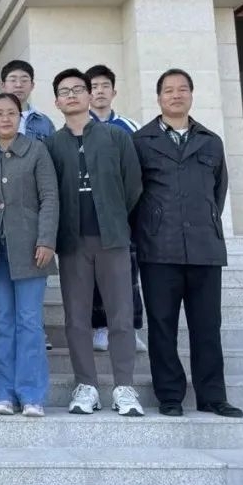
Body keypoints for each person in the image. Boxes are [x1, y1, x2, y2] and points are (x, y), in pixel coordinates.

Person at [133, 69, 243, 418]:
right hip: (158, 248)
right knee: (162, 326)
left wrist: (203, 220)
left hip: (204, 248)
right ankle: (170, 396)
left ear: (192, 95)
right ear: (159, 98)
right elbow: (133, 193)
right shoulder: (141, 141)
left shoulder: (211, 141)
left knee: (207, 326)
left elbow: (218, 191)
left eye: (182, 89)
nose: (176, 95)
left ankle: (212, 396)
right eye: (168, 90)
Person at [44, 68, 144, 417]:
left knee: (120, 315)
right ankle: (86, 385)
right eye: (64, 91)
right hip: (72, 242)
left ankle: (124, 386)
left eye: (77, 89)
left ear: (90, 95)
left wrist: (114, 215)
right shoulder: (52, 144)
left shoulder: (116, 137)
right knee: (76, 317)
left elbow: (133, 185)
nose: (71, 95)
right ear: (56, 102)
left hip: (112, 238)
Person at [0, 93, 59, 417]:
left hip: (30, 248)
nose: (5, 118)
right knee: (2, 322)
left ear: (20, 118)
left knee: (29, 321)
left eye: (11, 113)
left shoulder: (36, 150)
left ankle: (32, 394)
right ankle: (3, 393)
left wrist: (46, 239)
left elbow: (50, 197)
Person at [85, 64, 147, 354]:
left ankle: (130, 328)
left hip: (123, 214)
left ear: (114, 91)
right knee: (95, 274)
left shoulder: (130, 127)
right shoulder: (77, 127)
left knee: (126, 272)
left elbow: (137, 173)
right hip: (88, 214)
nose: (99, 91)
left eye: (104, 86)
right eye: (94, 87)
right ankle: (100, 327)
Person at [0, 60, 56, 146]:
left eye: (24, 80)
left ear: (32, 85)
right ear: (3, 85)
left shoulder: (44, 122)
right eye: (13, 80)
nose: (18, 85)